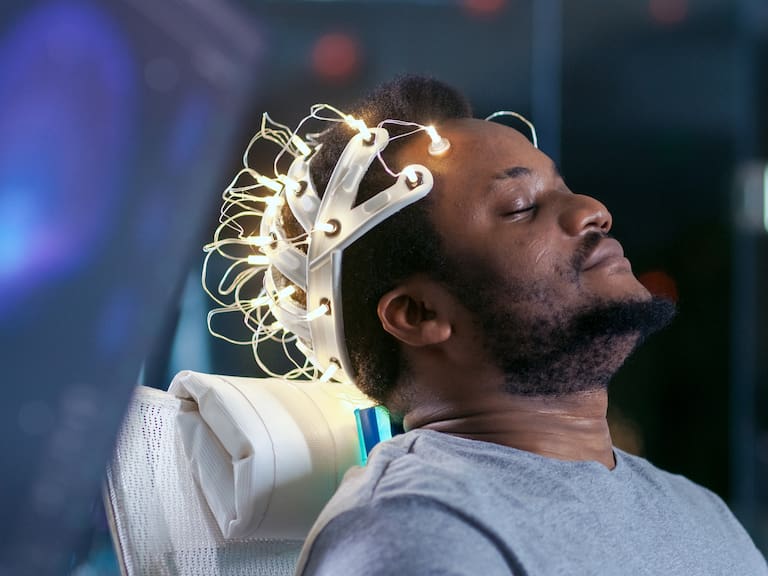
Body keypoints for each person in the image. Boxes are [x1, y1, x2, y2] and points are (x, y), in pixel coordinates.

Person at [269, 75, 766, 574]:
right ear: (420, 315)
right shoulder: (416, 534)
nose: (593, 211)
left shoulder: (699, 511)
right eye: (521, 207)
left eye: (563, 187)